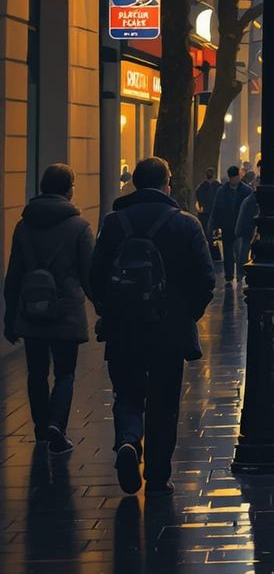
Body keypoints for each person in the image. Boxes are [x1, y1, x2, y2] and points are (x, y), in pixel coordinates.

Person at [88, 155, 215, 494]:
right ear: (166, 184)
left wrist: (108, 309)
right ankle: (157, 476)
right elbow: (206, 279)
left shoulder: (114, 223)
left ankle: (129, 440)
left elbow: (94, 276)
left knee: (127, 393)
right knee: (163, 402)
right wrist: (188, 313)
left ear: (135, 184)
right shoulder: (186, 224)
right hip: (169, 330)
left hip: (123, 327)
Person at [3, 163, 94, 452]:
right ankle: (57, 425)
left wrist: (9, 317)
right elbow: (89, 273)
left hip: (31, 309)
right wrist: (102, 306)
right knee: (65, 372)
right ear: (69, 189)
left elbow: (14, 273)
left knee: (36, 373)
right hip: (66, 311)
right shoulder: (79, 227)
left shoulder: (23, 225)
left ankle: (41, 427)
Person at [206, 166, 249, 289]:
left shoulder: (229, 190)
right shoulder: (226, 191)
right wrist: (215, 224)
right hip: (228, 225)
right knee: (229, 252)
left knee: (239, 251)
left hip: (239, 226)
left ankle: (240, 273)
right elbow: (216, 209)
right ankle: (229, 275)